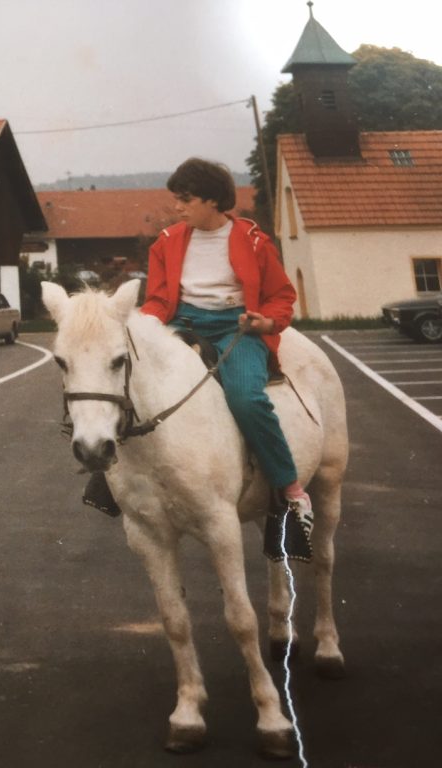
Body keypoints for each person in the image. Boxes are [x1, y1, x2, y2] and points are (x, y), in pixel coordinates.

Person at [83, 158, 313, 562]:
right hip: (183, 324)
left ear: (213, 200)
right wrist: (142, 326)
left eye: (185, 199)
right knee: (135, 384)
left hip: (236, 327)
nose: (178, 207)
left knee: (245, 396)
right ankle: (109, 481)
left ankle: (290, 491)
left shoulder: (254, 241)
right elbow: (157, 298)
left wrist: (265, 321)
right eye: (176, 199)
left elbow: (282, 297)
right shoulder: (167, 241)